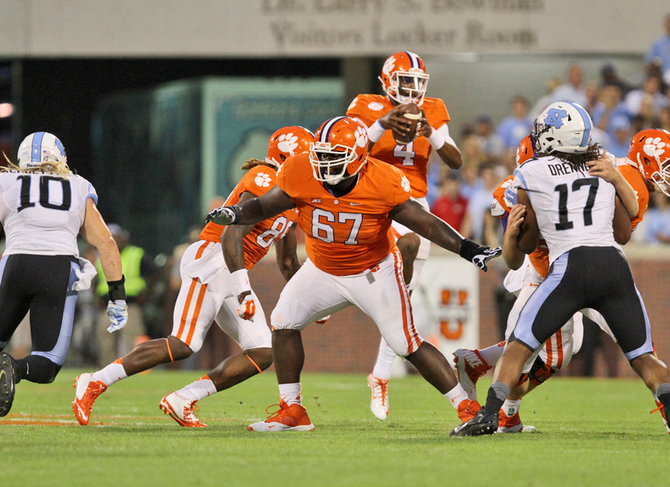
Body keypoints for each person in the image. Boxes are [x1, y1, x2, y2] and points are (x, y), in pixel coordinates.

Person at [206, 116, 502, 432]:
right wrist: (237, 212)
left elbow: (423, 222)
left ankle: (468, 409)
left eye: (334, 158)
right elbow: (266, 205)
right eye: (321, 156)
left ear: (359, 157)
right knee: (283, 322)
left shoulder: (383, 180)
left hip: (373, 271)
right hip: (322, 269)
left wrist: (467, 247)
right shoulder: (301, 169)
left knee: (407, 344)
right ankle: (293, 411)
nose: (324, 165)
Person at [451, 104, 670, 438]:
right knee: (642, 356)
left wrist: (513, 234)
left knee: (519, 346)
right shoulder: (603, 168)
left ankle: (490, 414)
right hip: (613, 267)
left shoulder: (532, 171)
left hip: (567, 268)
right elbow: (623, 233)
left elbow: (526, 243)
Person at [72, 126, 313, 427]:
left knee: (262, 352)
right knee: (183, 343)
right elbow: (231, 236)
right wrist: (243, 290)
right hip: (213, 259)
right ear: (287, 156)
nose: (311, 164)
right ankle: (94, 381)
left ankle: (183, 398)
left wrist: (310, 299)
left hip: (232, 270)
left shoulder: (293, 195)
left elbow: (289, 261)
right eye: (306, 156)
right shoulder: (265, 178)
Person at [347, 50, 463, 420]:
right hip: (374, 194)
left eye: (418, 83)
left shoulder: (433, 108)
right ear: (386, 82)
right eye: (405, 82)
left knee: (404, 296)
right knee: (403, 253)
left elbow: (456, 160)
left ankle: (380, 375)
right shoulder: (366, 105)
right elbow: (352, 145)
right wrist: (383, 123)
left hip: (413, 199)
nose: (412, 90)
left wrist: (431, 131)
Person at [0, 132, 125, 417]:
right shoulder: (78, 186)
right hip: (57, 269)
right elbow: (106, 242)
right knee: (47, 363)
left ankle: (2, 359)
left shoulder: (5, 183)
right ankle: (17, 367)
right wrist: (116, 297)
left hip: (15, 265)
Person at [93, 223, 157, 364]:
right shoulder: (102, 254)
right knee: (105, 340)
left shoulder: (136, 254)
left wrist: (144, 296)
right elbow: (96, 279)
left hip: (131, 304)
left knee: (132, 339)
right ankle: (106, 370)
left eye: (116, 237)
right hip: (107, 305)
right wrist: (96, 297)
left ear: (123, 238)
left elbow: (153, 275)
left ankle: (131, 368)